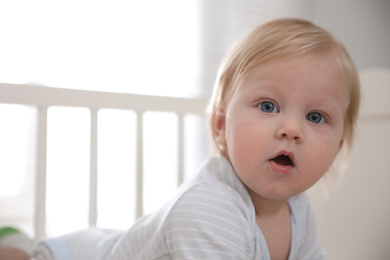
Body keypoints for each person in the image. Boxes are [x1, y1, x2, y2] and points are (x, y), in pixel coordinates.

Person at [33, 17, 360, 260]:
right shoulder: (209, 208)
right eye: (268, 105)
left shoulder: (298, 212)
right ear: (220, 125)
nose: (291, 129)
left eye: (315, 117)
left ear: (337, 150)